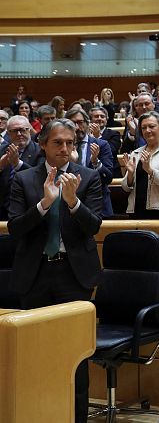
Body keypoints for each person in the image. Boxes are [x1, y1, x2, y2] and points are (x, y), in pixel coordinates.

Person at [8, 118, 103, 423]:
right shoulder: (23, 179)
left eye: (70, 143)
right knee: (34, 354)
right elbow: (14, 228)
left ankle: (76, 418)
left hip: (73, 275)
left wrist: (73, 202)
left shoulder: (87, 177)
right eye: (58, 143)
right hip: (35, 275)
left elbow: (94, 226)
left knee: (75, 355)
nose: (65, 149)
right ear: (43, 145)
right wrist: (43, 206)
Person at [120, 112, 159, 219]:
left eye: (151, 126)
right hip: (136, 209)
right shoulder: (136, 153)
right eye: (143, 128)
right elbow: (125, 187)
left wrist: (149, 170)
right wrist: (130, 174)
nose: (147, 130)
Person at [64, 108, 114, 217]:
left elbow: (108, 177)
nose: (77, 127)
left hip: (98, 205)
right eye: (73, 123)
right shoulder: (62, 147)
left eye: (80, 122)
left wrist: (95, 162)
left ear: (87, 124)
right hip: (68, 205)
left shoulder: (102, 144)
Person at [0, 115, 44, 220]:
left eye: (22, 130)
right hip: (2, 210)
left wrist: (18, 164)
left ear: (29, 130)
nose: (19, 134)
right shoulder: (2, 150)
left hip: (28, 210)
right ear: (8, 133)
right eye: (15, 131)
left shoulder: (40, 151)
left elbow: (40, 177)